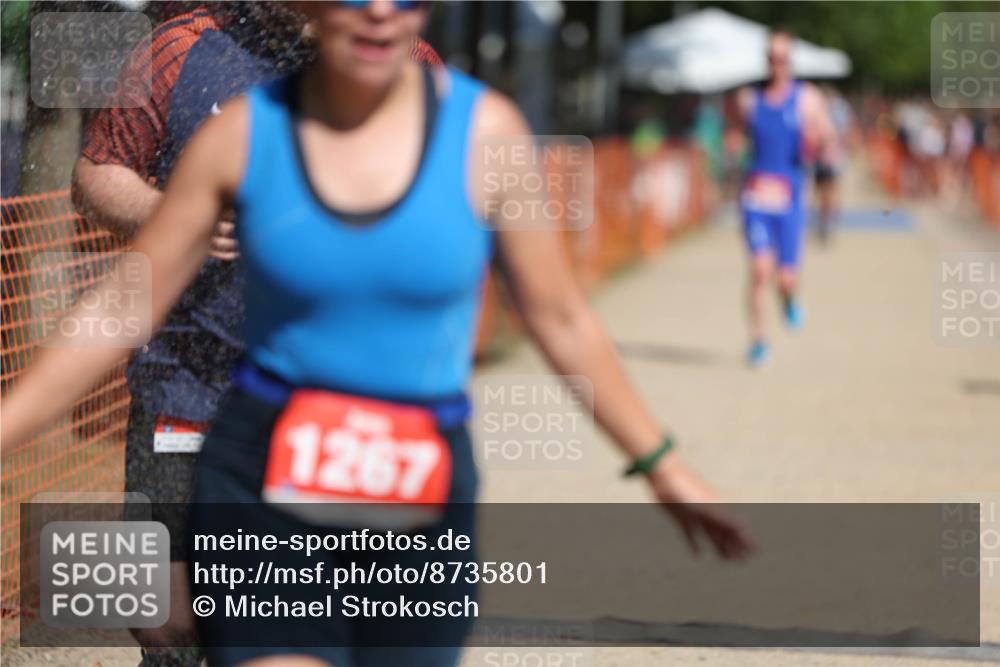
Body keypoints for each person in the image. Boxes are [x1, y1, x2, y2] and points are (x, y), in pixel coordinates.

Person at [3, 2, 754, 666]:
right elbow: (119, 307)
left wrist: (662, 465)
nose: (380, 13)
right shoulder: (240, 132)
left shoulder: (485, 132)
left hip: (414, 478)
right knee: (185, 628)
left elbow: (560, 317)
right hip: (262, 465)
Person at [69, 3, 438, 665]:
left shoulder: (402, 64)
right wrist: (168, 213)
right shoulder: (180, 50)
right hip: (184, 389)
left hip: (329, 402)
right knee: (162, 617)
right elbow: (98, 170)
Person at [727, 28, 838, 367]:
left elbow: (828, 139)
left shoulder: (807, 98)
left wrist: (820, 145)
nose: (776, 65)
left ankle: (789, 298)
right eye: (771, 58)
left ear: (791, 62)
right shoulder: (747, 99)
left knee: (785, 278)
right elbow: (732, 133)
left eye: (782, 59)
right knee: (760, 270)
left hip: (790, 198)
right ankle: (759, 340)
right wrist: (732, 148)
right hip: (756, 197)